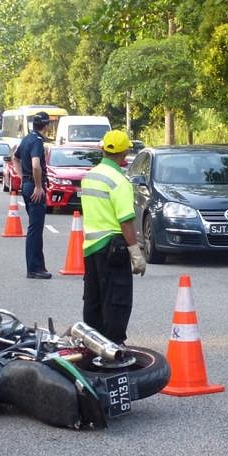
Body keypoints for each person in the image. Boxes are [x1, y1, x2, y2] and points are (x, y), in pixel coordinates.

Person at [81, 130, 146, 345]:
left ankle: (93, 342)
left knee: (94, 299)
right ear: (125, 153)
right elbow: (125, 221)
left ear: (103, 149)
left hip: (90, 247)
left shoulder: (90, 177)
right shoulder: (119, 181)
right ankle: (114, 343)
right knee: (117, 298)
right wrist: (135, 253)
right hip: (113, 247)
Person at [12, 111, 51, 278]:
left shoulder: (27, 138)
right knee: (35, 229)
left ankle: (39, 266)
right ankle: (34, 269)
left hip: (27, 185)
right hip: (34, 187)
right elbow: (36, 165)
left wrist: (22, 177)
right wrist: (37, 185)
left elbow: (15, 158)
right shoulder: (37, 141)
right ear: (46, 125)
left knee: (35, 228)